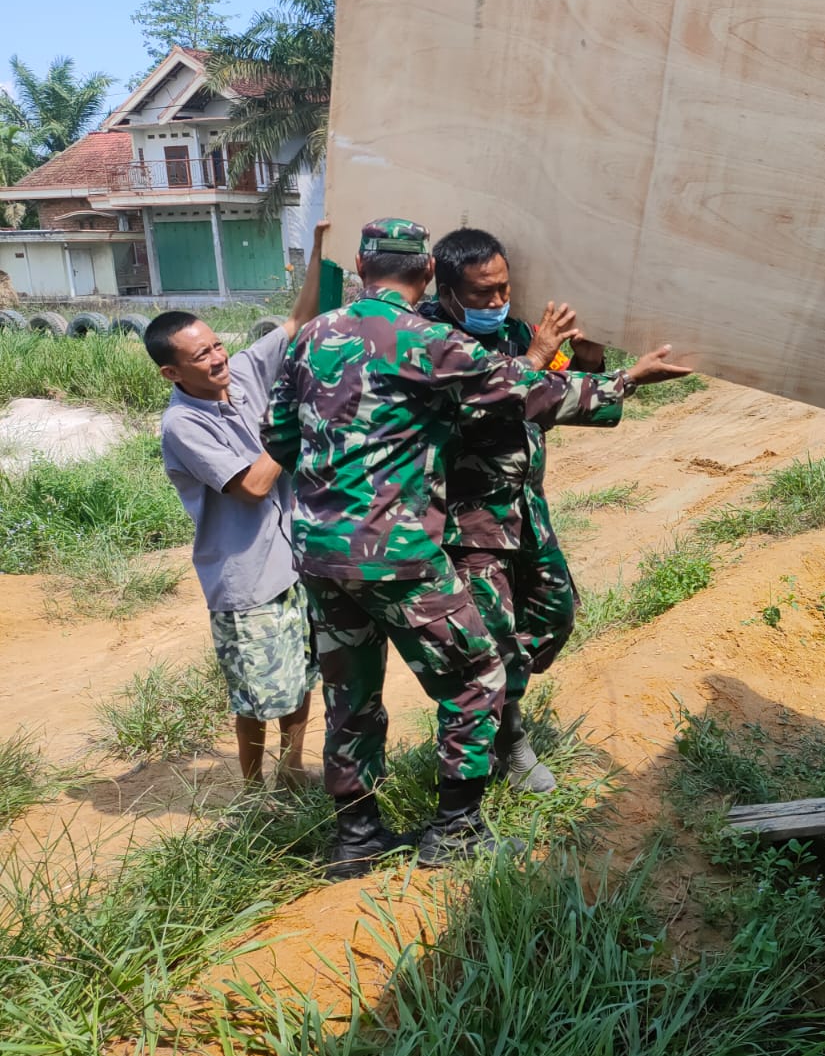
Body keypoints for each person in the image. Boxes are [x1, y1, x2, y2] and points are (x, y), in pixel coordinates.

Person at [262, 218, 692, 875]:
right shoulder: (427, 340)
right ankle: (456, 830)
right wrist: (629, 380)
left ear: (361, 266)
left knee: (350, 695)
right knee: (477, 675)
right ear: (430, 273)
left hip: (319, 553)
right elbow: (530, 391)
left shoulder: (311, 336)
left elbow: (279, 440)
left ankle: (357, 837)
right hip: (396, 552)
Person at [417, 227, 610, 793]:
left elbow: (556, 396)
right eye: (483, 293)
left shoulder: (517, 331)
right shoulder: (430, 342)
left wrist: (589, 356)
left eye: (504, 289)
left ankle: (495, 696)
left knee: (555, 615)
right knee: (493, 636)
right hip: (468, 521)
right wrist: (537, 356)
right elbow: (489, 402)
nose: (498, 301)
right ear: (447, 291)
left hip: (525, 507)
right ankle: (507, 739)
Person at [147, 220, 331, 794]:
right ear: (172, 372)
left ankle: (292, 770)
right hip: (247, 579)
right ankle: (253, 793)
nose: (217, 358)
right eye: (200, 355)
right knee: (255, 693)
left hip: (292, 561)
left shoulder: (244, 373)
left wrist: (319, 251)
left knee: (300, 675)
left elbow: (297, 322)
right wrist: (289, 427)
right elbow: (251, 486)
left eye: (217, 345)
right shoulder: (182, 425)